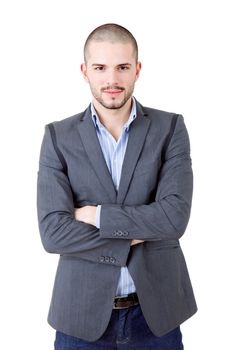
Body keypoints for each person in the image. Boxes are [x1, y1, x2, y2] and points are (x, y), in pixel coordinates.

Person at [37, 23, 197, 350]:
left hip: (156, 318)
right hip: (80, 318)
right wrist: (138, 233)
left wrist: (96, 216)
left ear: (137, 69)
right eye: (101, 68)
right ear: (85, 71)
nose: (112, 80)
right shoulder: (58, 137)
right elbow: (53, 233)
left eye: (122, 67)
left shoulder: (170, 129)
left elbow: (174, 219)